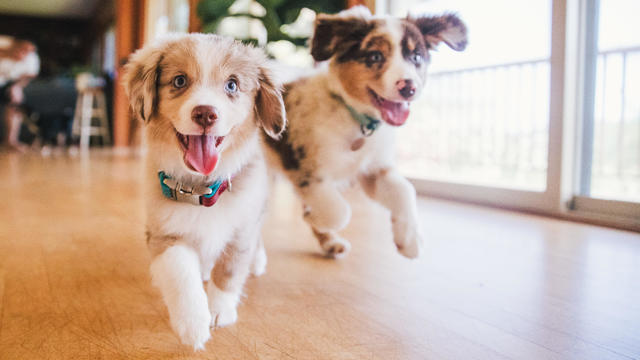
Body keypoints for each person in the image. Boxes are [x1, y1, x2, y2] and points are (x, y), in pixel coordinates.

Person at [0, 36, 39, 151]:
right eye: (23, 49)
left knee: (15, 102)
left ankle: (11, 141)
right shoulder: (4, 45)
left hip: (12, 84)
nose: (25, 53)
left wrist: (16, 86)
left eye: (29, 51)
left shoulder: (31, 59)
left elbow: (28, 77)